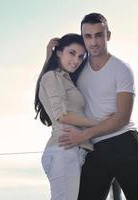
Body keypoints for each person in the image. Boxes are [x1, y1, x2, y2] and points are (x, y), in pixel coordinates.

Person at [57, 13, 138, 200]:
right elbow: (54, 79)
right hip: (95, 149)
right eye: (88, 36)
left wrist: (83, 135)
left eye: (99, 35)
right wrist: (50, 54)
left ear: (108, 35)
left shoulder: (121, 69)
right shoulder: (77, 70)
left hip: (123, 142)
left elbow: (122, 118)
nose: (93, 42)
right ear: (83, 38)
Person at [34, 34, 103, 200]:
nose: (76, 60)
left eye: (80, 56)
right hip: (63, 151)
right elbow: (62, 116)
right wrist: (99, 123)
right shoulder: (52, 77)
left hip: (72, 151)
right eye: (71, 53)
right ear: (59, 52)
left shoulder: (64, 78)